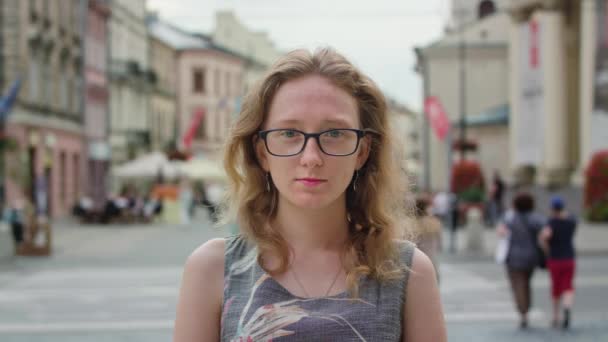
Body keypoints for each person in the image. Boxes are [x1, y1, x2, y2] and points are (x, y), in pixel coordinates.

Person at [173, 48, 446, 341]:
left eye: (334, 133)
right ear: (262, 151)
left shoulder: (407, 272)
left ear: (362, 152)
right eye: (290, 134)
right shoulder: (213, 270)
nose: (311, 157)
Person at [496, 192, 545, 329]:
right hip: (531, 256)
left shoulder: (511, 218)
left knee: (518, 285)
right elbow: (545, 231)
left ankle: (523, 313)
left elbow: (500, 231)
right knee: (527, 283)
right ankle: (527, 308)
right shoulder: (535, 218)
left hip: (513, 257)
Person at [539, 196, 577, 329]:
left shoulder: (551, 222)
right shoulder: (571, 221)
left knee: (556, 287)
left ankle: (556, 316)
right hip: (569, 257)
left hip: (555, 259)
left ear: (552, 208)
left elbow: (545, 236)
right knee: (568, 286)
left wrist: (546, 249)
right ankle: (567, 307)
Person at [414, 196, 442, 282]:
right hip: (432, 260)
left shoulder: (412, 224)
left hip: (416, 261)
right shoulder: (434, 222)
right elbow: (440, 243)